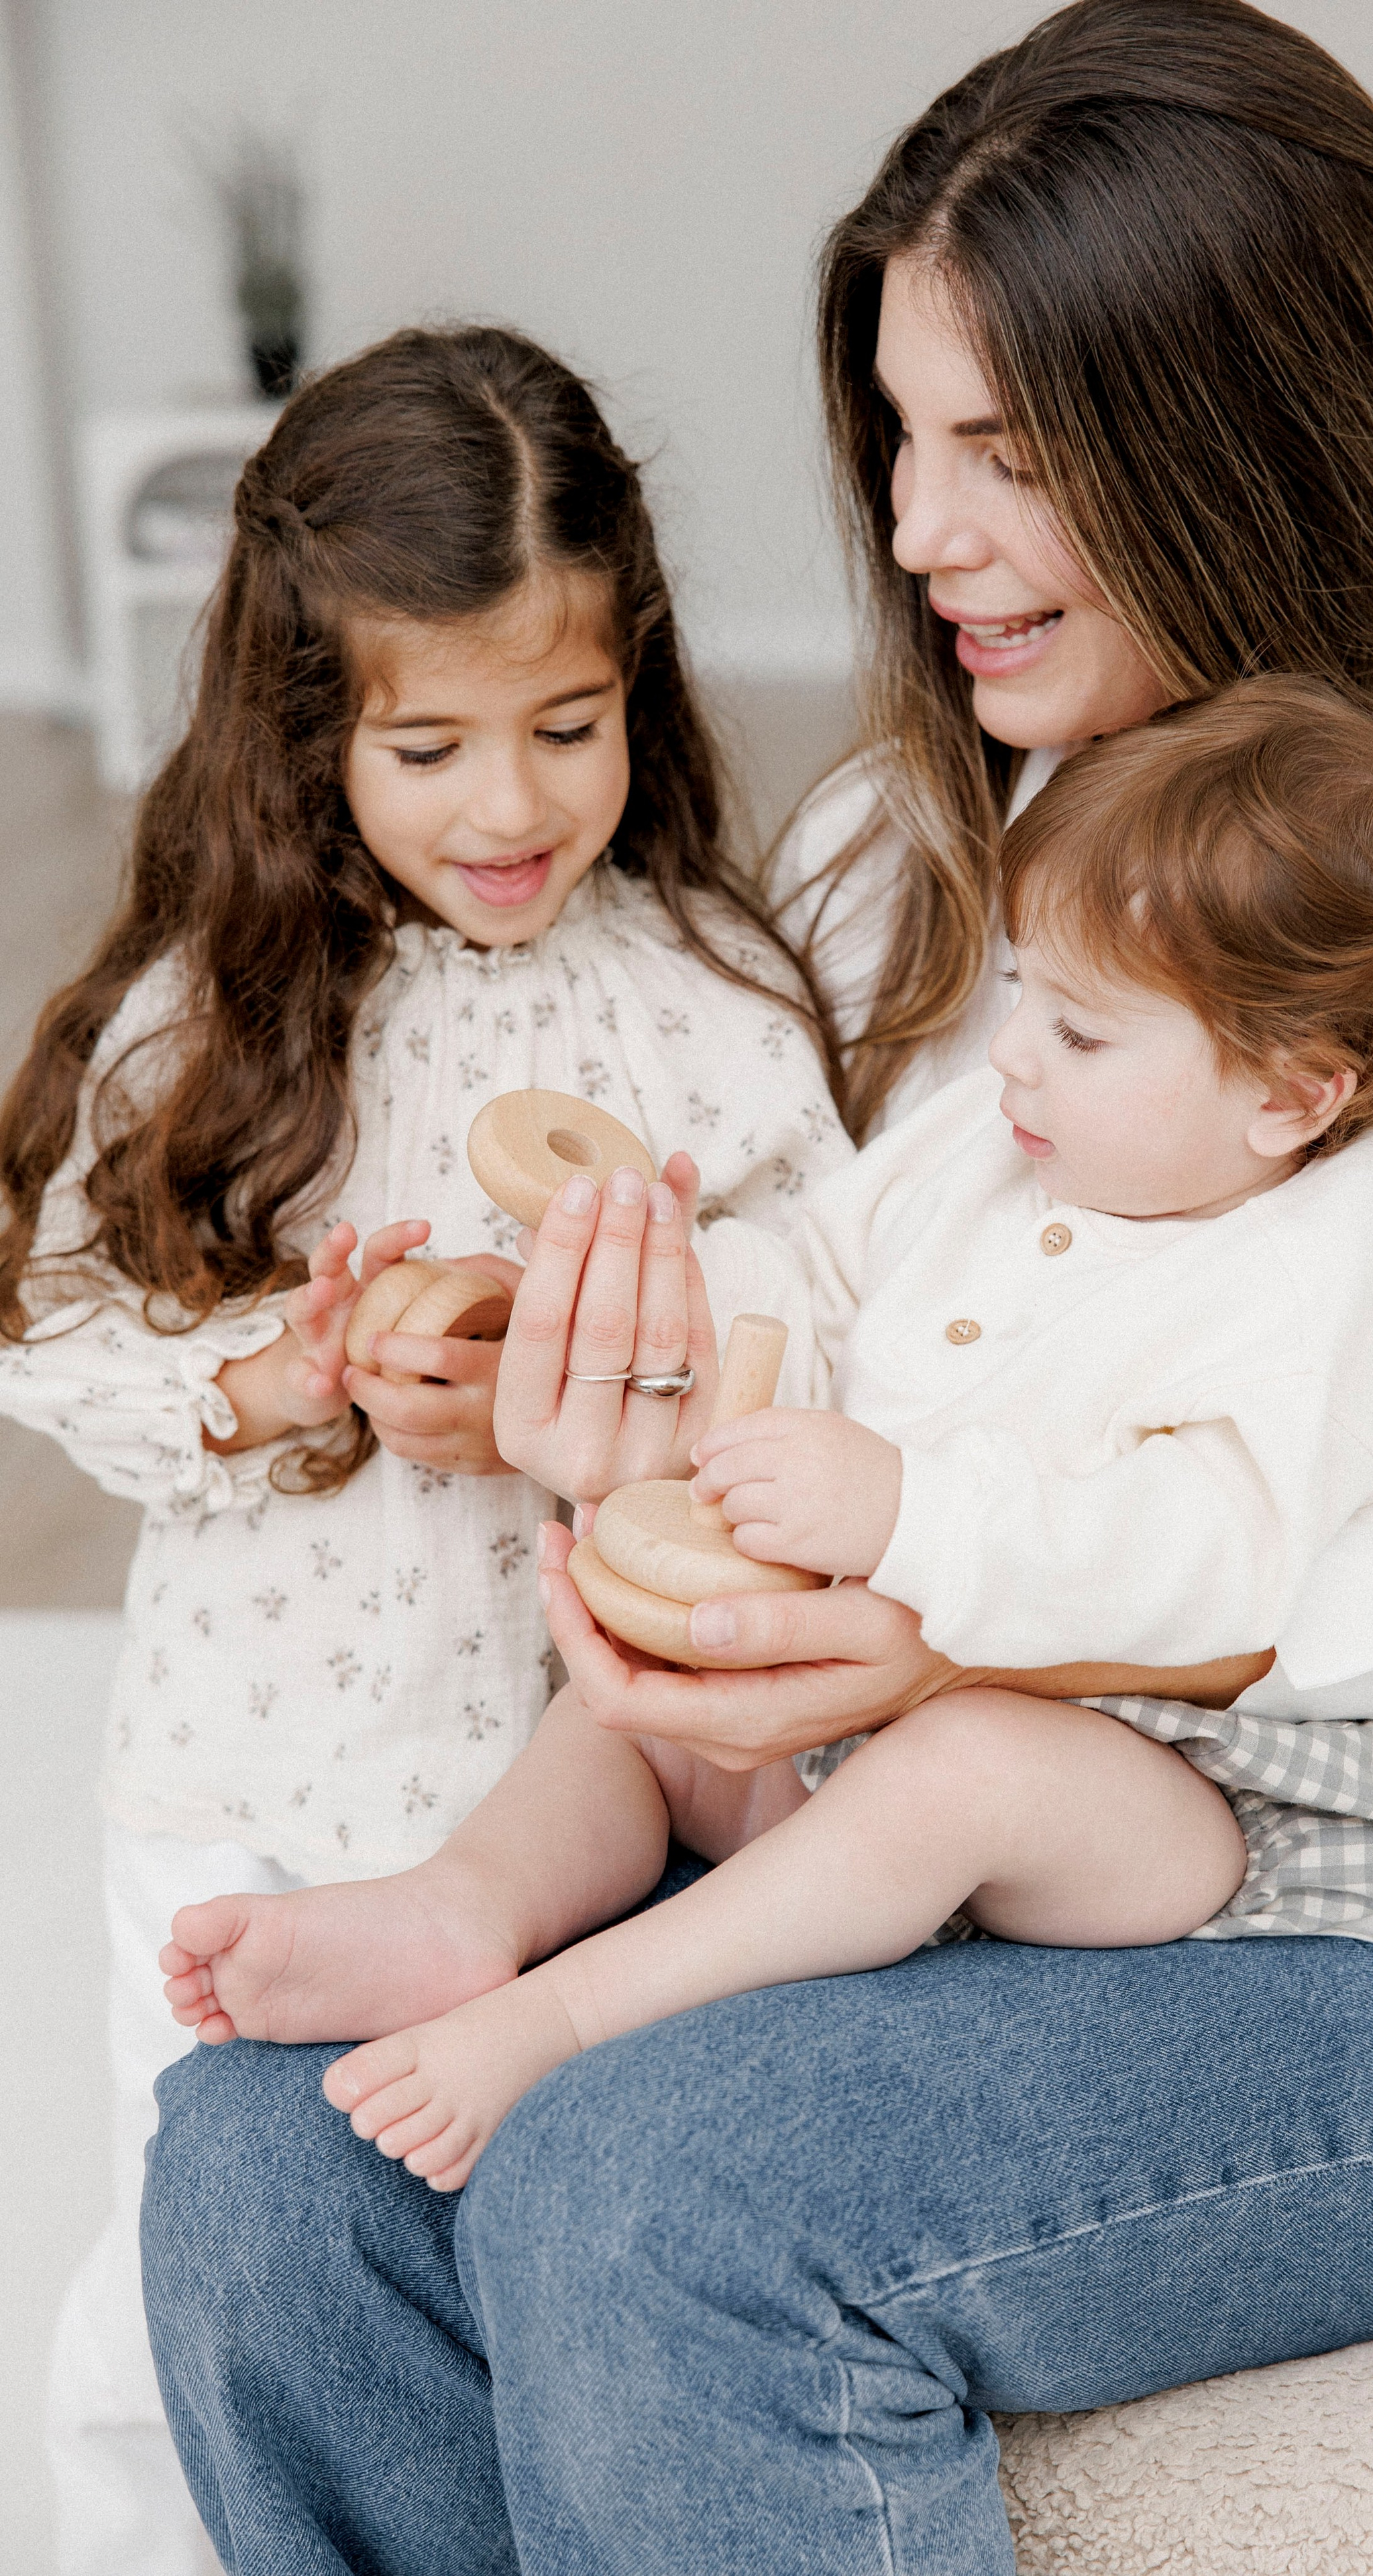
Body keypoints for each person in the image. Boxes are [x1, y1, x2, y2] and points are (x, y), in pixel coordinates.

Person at [140, 8, 1373, 2573]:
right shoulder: (926, 839)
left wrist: (969, 1620)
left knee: (660, 2191)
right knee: (262, 2159)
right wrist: (608, 1398)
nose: (920, 529)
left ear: (1249, 429)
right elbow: (822, 1330)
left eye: (1010, 450)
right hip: (927, 1828)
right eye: (899, 436)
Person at [156, 677, 1373, 2197]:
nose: (1012, 1055)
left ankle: (569, 2011)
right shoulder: (1000, 1142)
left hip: (1170, 1772)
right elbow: (814, 1276)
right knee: (641, 1690)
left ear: (1292, 1095)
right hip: (867, 1711)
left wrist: (912, 1509)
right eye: (1019, 992)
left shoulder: (1346, 1252)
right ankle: (464, 1904)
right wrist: (666, 1299)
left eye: (1078, 1029)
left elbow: (1222, 1551)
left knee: (966, 1769)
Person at [0, 323, 848, 2576]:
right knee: (189, 2265)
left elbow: (823, 1289)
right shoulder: (222, 1014)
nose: (509, 808)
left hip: (559, 1787)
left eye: (565, 727)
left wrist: (610, 1365)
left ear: (638, 684)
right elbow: (57, 1327)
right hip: (253, 1750)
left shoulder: (704, 996)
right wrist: (277, 1381)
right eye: (430, 744)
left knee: (491, 2227)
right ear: (314, 731)